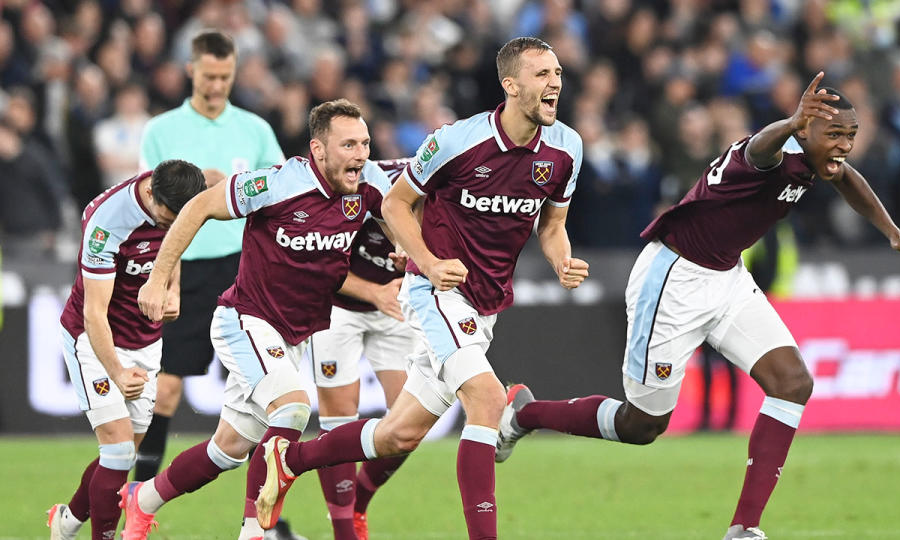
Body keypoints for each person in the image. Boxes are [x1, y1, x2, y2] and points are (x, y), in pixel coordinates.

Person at [495, 72, 900, 540]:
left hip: (727, 279)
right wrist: (789, 121)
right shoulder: (768, 154)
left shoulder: (815, 159)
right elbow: (760, 148)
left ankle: (744, 529)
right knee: (642, 425)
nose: (844, 146)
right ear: (803, 130)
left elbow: (848, 179)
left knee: (792, 383)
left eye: (849, 135)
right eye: (833, 134)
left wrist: (894, 235)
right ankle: (525, 414)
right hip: (673, 278)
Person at [248, 37, 588, 540]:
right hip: (436, 295)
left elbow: (551, 224)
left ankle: (291, 459)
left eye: (557, 72)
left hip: (486, 303)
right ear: (510, 85)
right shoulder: (456, 142)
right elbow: (394, 205)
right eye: (541, 74)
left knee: (396, 434)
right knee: (489, 401)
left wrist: (561, 258)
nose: (555, 82)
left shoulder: (566, 148)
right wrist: (428, 262)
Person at [120, 99, 392, 540]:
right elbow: (197, 207)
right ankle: (255, 531)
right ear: (318, 150)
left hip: (294, 335)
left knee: (226, 450)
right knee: (294, 407)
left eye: (364, 143)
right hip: (244, 319)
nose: (361, 154)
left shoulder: (365, 189)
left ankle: (143, 499)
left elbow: (398, 214)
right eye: (349, 145)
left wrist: (411, 255)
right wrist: (158, 276)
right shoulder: (277, 184)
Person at [133, 29, 284, 490]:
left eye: (225, 76)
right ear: (190, 70)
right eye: (209, 76)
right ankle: (136, 496)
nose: (217, 85)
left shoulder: (255, 129)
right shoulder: (161, 131)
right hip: (188, 268)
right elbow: (149, 202)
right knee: (167, 390)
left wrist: (241, 186)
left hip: (244, 268)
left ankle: (265, 513)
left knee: (266, 391)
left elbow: (280, 193)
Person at [47, 160, 205, 540]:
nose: (173, 225)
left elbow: (176, 244)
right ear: (151, 193)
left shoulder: (178, 205)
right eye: (169, 217)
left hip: (146, 341)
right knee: (118, 452)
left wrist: (173, 289)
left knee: (120, 457)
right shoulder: (108, 221)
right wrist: (116, 371)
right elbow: (94, 313)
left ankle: (65, 523)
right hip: (95, 340)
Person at [310, 159, 415, 540]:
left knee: (410, 424)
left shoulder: (449, 195)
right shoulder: (363, 191)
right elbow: (319, 262)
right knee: (339, 416)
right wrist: (374, 291)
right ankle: (343, 532)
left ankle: (360, 502)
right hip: (339, 307)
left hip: (395, 311)